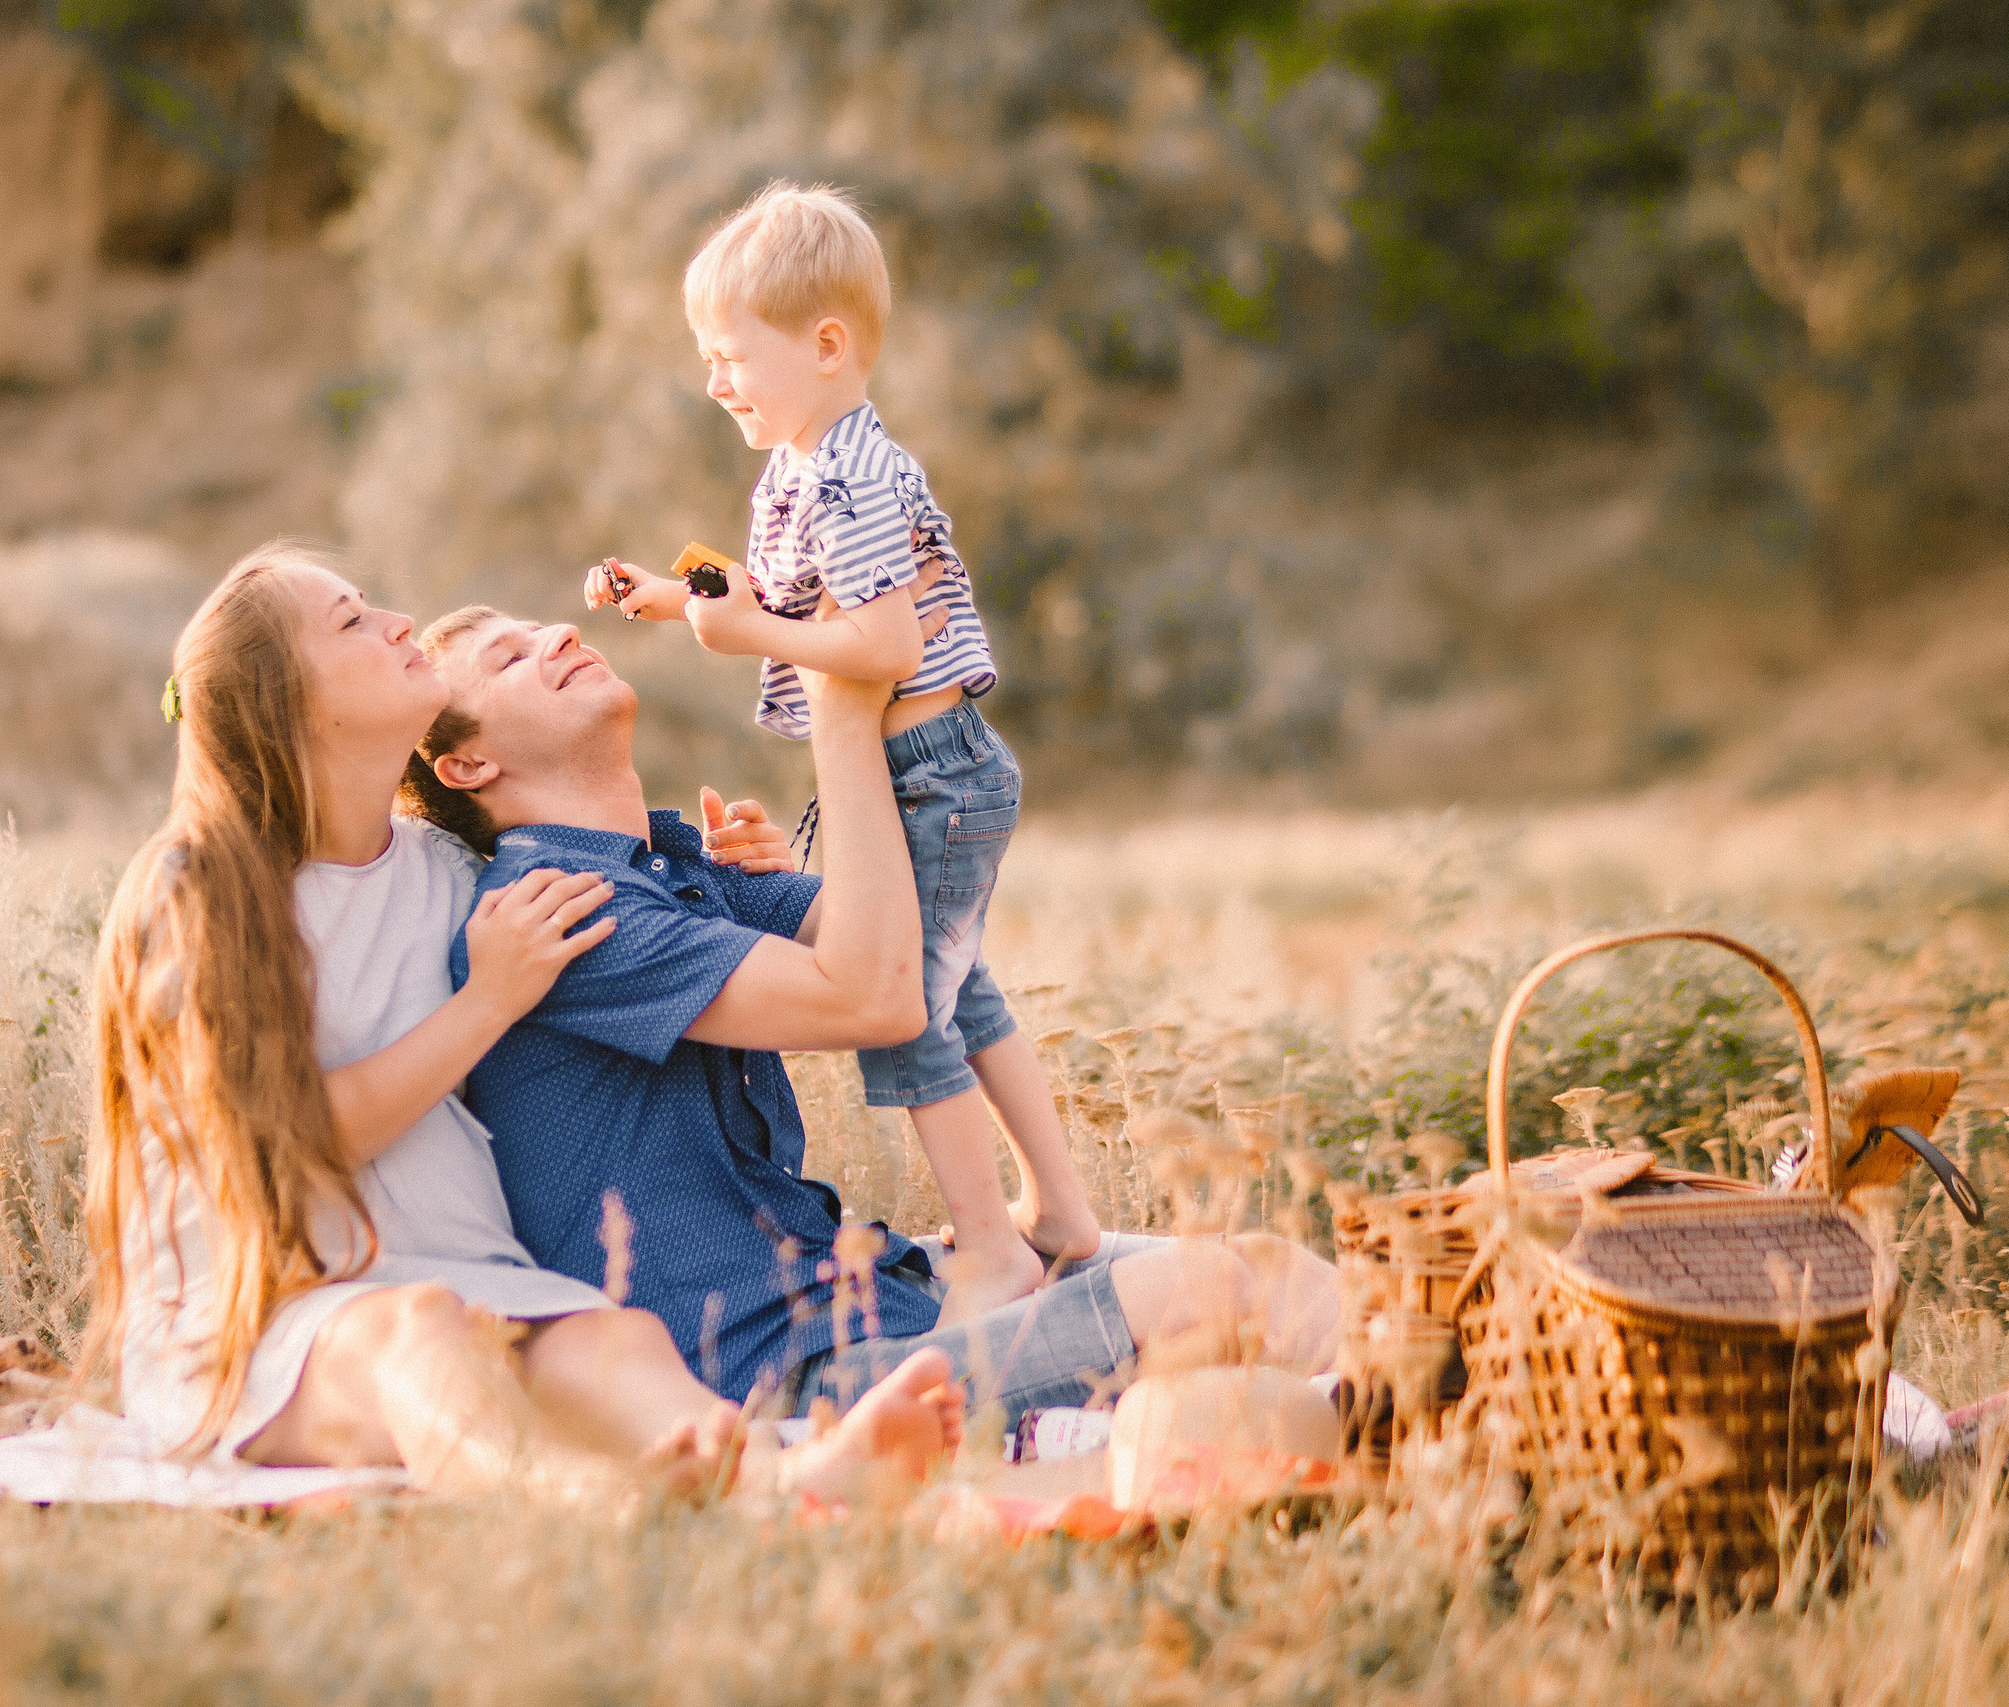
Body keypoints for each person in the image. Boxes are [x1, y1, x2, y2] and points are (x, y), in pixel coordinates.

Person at [82, 542, 961, 1503]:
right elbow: (282, 1145)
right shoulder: (200, 885)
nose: (396, 624)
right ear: (290, 702)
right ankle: (577, 1509)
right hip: (266, 1311)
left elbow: (624, 903)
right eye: (351, 622)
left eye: (373, 602)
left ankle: (782, 1484)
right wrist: (482, 1005)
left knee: (618, 1339)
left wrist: (716, 884)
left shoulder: (445, 873)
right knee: (411, 1334)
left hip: (476, 1282)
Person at [407, 606, 1340, 1428]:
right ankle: (1427, 1412)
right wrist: (840, 714)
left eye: (541, 629)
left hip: (866, 1293)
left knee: (1276, 1270)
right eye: (508, 657)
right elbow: (876, 999)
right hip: (778, 1377)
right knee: (1218, 1291)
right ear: (468, 762)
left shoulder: (673, 864)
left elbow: (927, 954)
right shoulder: (554, 910)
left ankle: (1441, 1398)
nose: (558, 636)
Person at [581, 182, 1097, 1324]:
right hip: (916, 771)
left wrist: (740, 632)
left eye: (731, 357)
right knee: (961, 993)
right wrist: (679, 601)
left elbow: (878, 645)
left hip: (934, 771)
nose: (714, 382)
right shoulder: (797, 472)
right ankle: (1057, 1212)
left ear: (826, 347)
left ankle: (994, 1249)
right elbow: (776, 598)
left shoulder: (858, 475)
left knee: (907, 1010)